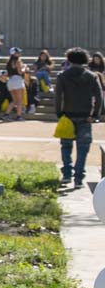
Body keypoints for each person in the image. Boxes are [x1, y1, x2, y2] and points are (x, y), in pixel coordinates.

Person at [56, 48, 103, 188]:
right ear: (85, 60)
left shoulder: (62, 76)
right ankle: (78, 178)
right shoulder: (92, 76)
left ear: (69, 59)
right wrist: (95, 115)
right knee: (83, 149)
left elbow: (59, 97)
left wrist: (59, 113)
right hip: (85, 116)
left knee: (66, 146)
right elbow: (99, 97)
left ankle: (66, 174)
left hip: (68, 116)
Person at [5, 51, 27, 121]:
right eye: (17, 52)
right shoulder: (18, 61)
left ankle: (6, 115)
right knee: (19, 101)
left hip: (10, 80)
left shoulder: (8, 61)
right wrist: (24, 68)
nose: (19, 53)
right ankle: (19, 116)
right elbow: (20, 72)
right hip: (17, 80)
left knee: (14, 100)